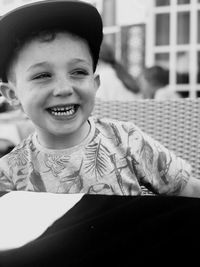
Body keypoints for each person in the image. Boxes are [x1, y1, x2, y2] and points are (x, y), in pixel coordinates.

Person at [0, 0, 199, 197]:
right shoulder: (9, 172)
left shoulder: (127, 139)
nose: (63, 89)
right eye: (42, 75)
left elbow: (189, 189)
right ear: (12, 95)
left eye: (78, 72)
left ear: (95, 84)